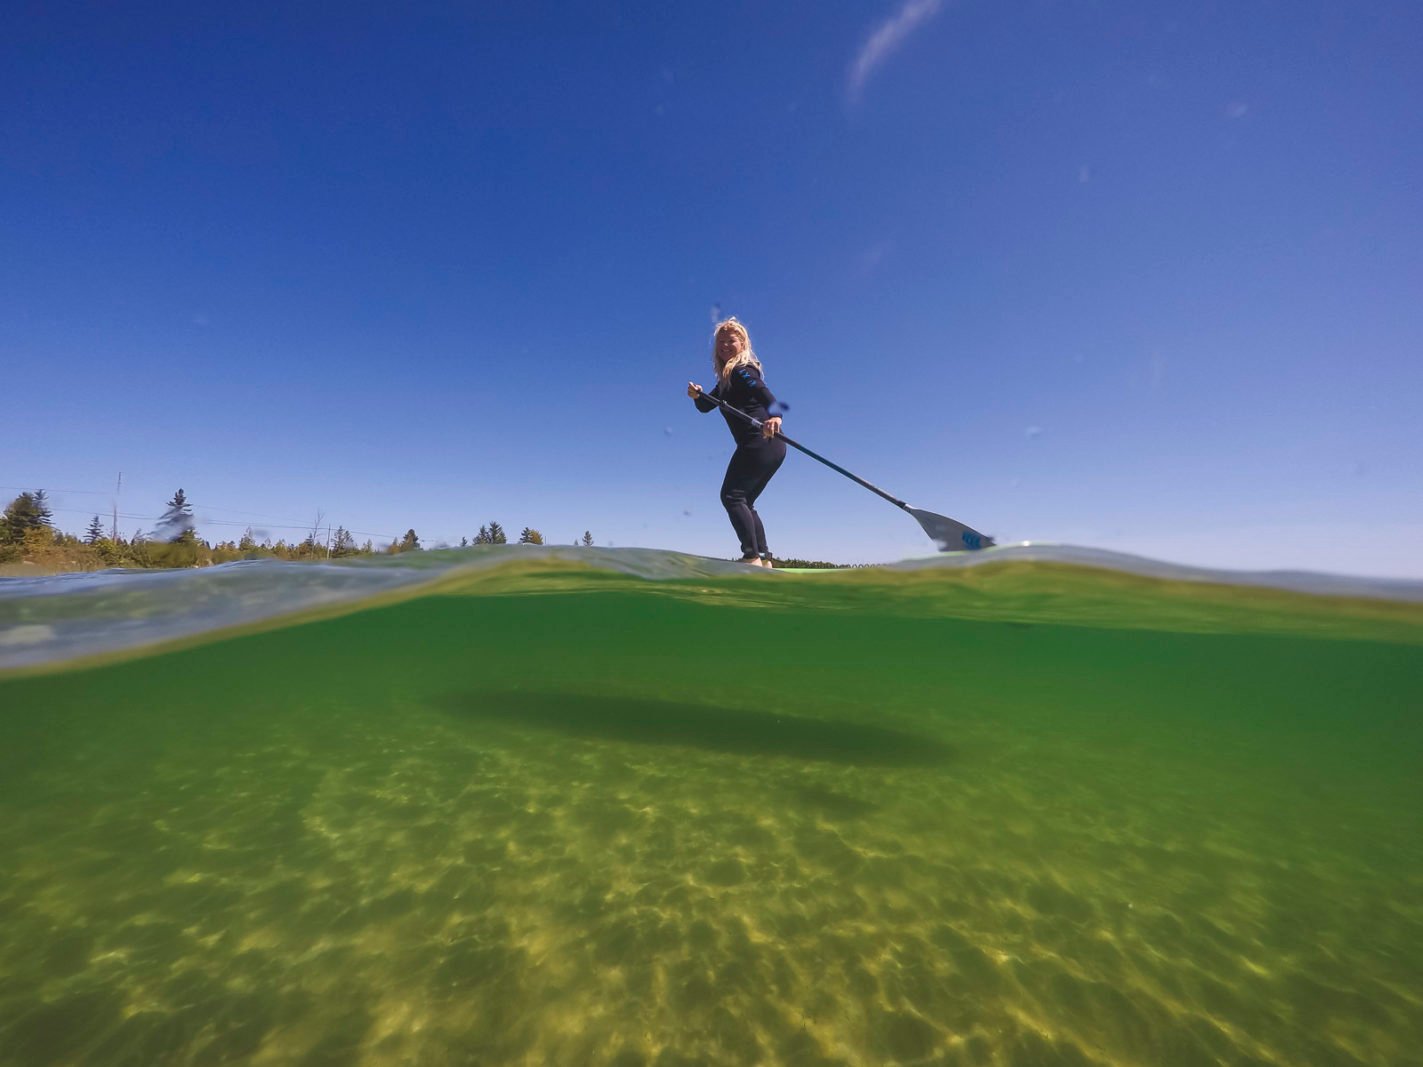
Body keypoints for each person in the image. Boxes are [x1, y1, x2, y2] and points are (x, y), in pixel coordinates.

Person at [687, 317, 786, 567]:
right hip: (769, 447)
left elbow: (765, 394)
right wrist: (697, 396)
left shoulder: (742, 370)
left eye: (731, 340)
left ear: (742, 343)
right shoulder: (726, 380)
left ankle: (751, 556)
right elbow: (706, 406)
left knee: (732, 496)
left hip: (760, 440)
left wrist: (775, 415)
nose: (725, 346)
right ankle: (763, 559)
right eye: (720, 342)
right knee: (744, 501)